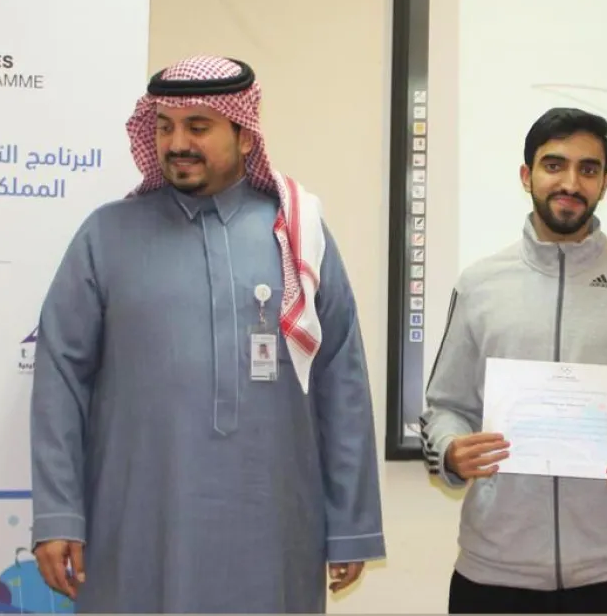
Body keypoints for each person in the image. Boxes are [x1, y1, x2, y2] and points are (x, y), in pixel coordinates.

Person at [29, 55, 386, 613]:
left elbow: (342, 383)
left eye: (198, 127)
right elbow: (59, 381)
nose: (177, 144)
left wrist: (352, 524)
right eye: (165, 127)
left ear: (244, 135)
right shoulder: (107, 235)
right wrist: (58, 515)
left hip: (274, 528)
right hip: (134, 526)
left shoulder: (298, 234)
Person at [418, 107, 607, 614]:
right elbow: (444, 406)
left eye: (588, 169)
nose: (571, 182)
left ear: (605, 183)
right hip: (495, 573)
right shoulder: (480, 283)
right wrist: (451, 450)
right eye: (554, 165)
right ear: (526, 175)